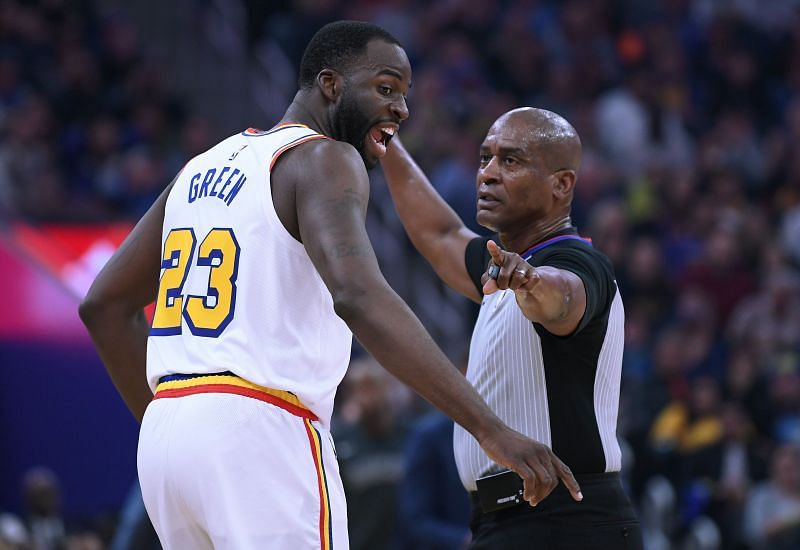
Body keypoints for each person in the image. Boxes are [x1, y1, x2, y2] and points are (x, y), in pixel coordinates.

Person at [78, 21, 581, 550]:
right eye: (386, 89)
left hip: (167, 441)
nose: (402, 109)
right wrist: (489, 428)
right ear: (331, 85)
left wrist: (178, 421)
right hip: (262, 427)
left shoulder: (199, 168)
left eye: (405, 96)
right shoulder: (326, 157)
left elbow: (103, 306)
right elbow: (357, 296)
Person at [381, 107, 643, 548]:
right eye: (485, 158)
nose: (487, 174)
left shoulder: (578, 262)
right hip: (504, 523)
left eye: (511, 161)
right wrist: (384, 139)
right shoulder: (500, 267)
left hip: (568, 522)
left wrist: (531, 283)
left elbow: (561, 299)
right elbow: (440, 234)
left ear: (562, 184)